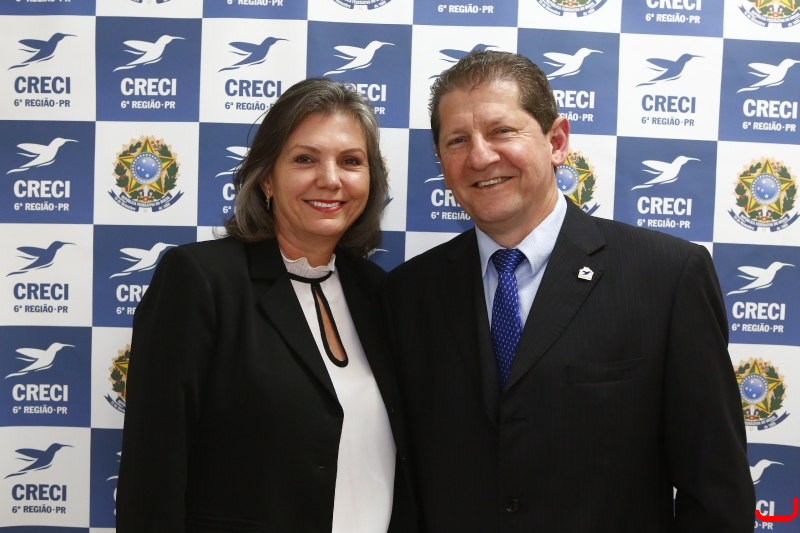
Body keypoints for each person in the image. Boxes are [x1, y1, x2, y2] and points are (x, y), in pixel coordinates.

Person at [382, 50, 754, 532]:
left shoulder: (668, 277)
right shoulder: (407, 295)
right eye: (458, 140)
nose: (479, 156)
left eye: (502, 131)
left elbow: (718, 495)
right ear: (441, 161)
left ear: (556, 141)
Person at [117, 78, 417, 533]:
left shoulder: (378, 293)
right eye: (305, 159)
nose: (330, 179)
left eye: (351, 161)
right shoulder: (200, 280)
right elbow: (152, 474)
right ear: (266, 179)